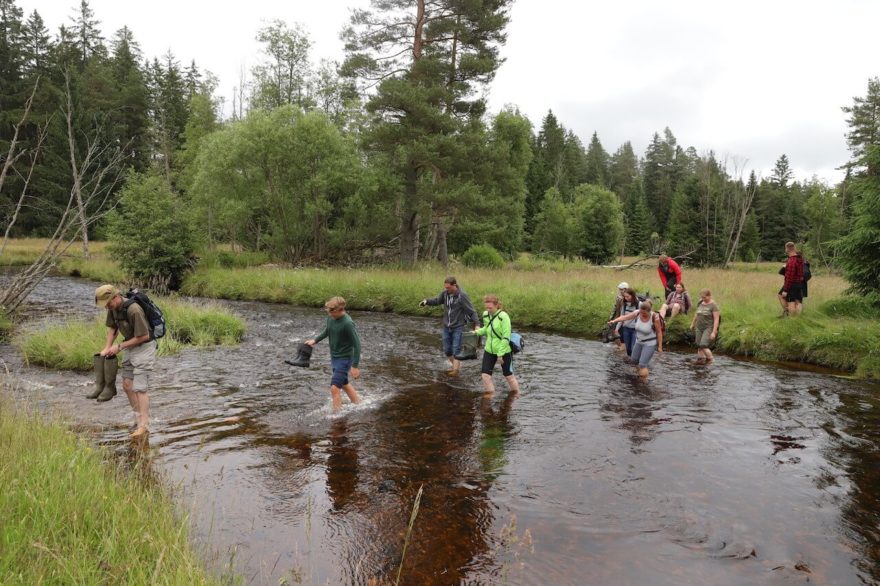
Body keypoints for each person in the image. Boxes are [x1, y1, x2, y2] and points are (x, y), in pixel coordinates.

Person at [95, 284, 156, 438]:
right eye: (105, 305)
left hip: (144, 347)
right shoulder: (113, 308)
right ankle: (137, 418)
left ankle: (144, 425)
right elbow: (113, 328)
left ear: (116, 297)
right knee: (127, 385)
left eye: (108, 303)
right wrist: (107, 347)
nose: (107, 307)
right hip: (130, 345)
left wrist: (119, 346)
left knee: (140, 388)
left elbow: (144, 336)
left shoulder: (134, 310)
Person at [306, 297, 363, 411]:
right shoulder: (331, 318)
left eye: (331, 311)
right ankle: (359, 404)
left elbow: (357, 345)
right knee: (344, 383)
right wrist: (315, 340)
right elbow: (327, 330)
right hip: (335, 357)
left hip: (345, 358)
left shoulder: (348, 323)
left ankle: (337, 417)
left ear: (339, 310)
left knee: (334, 388)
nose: (329, 313)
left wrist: (355, 366)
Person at [420, 276, 480, 377]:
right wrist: (426, 302)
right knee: (447, 350)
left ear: (454, 285)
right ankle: (456, 366)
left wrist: (477, 324)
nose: (446, 289)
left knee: (456, 349)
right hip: (446, 327)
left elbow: (471, 311)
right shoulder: (445, 294)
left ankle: (455, 371)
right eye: (445, 287)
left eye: (448, 288)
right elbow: (437, 301)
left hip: (458, 326)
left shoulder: (462, 296)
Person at [473, 294, 520, 396]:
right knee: (485, 376)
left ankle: (516, 395)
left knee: (508, 376)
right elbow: (487, 328)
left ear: (497, 305)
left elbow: (506, 337)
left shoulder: (504, 317)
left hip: (504, 351)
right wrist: (477, 332)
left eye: (490, 307)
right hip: (489, 350)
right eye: (486, 307)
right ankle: (490, 396)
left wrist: (500, 354)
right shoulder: (486, 314)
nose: (488, 310)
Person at [608, 299, 664, 378]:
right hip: (639, 341)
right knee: (634, 360)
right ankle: (639, 377)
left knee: (642, 364)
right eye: (641, 312)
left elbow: (659, 332)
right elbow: (625, 317)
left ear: (649, 311)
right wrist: (614, 321)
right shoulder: (637, 313)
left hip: (650, 343)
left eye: (644, 313)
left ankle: (643, 382)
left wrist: (660, 346)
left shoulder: (655, 317)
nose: (642, 315)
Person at [689, 289, 720, 364]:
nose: (703, 299)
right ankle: (701, 360)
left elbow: (716, 319)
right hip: (699, 327)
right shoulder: (700, 302)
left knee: (703, 344)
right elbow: (697, 314)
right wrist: (693, 323)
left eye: (705, 297)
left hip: (708, 327)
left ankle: (711, 360)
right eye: (702, 297)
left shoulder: (714, 305)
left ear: (709, 296)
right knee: (698, 345)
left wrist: (714, 332)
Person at [778, 241, 805, 316]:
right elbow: (802, 273)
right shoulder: (800, 259)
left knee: (790, 302)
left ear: (787, 249)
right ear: (794, 248)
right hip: (799, 283)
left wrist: (786, 290)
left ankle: (791, 318)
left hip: (792, 284)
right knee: (798, 301)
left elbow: (789, 277)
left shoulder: (791, 261)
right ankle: (797, 318)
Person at [612, 288, 640, 357]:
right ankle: (630, 362)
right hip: (626, 329)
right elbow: (622, 317)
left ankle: (635, 362)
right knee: (628, 349)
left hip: (635, 330)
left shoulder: (639, 304)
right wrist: (617, 329)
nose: (626, 298)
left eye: (628, 296)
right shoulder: (624, 305)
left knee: (633, 348)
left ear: (632, 296)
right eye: (625, 296)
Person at [608, 282, 630, 349]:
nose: (620, 291)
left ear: (625, 289)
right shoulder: (619, 297)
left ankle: (622, 347)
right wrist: (611, 318)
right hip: (617, 318)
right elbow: (615, 308)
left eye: (621, 289)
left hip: (624, 319)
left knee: (620, 333)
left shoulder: (628, 298)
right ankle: (619, 346)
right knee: (614, 331)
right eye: (619, 289)